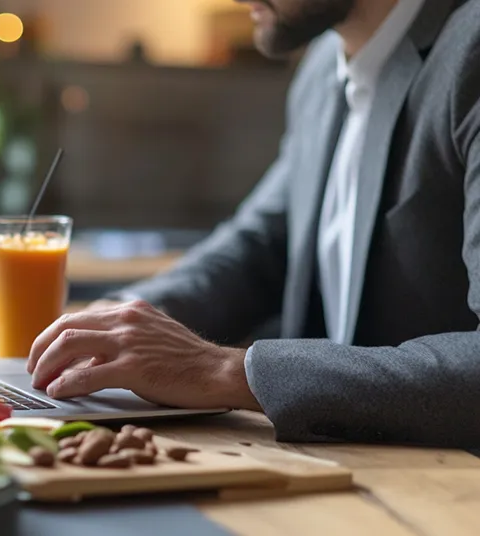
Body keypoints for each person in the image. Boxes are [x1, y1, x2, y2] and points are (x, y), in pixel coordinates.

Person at [27, 0, 480, 448]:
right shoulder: (324, 66)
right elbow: (262, 243)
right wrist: (119, 318)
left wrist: (225, 371)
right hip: (340, 469)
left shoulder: (470, 51)